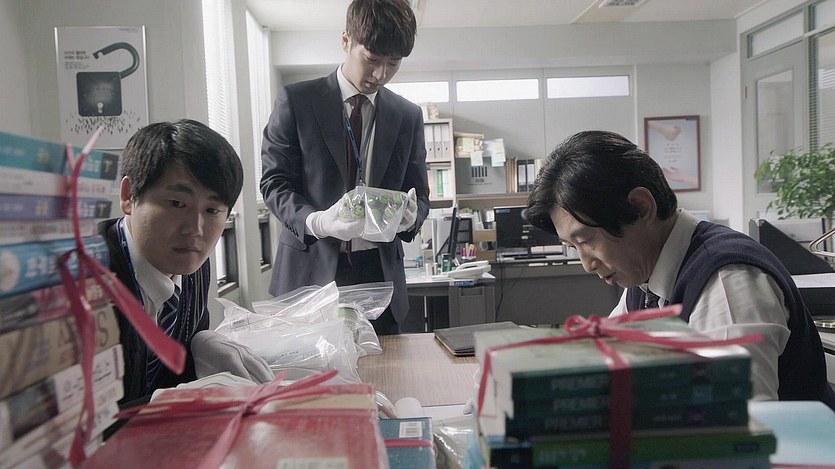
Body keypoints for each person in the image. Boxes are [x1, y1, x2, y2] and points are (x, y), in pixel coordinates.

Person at [525, 130, 835, 409]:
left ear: (641, 207)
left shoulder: (727, 281)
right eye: (573, 246)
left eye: (586, 240)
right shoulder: (643, 282)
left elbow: (740, 427)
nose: (586, 263)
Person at [260, 0, 430, 335]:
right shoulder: (297, 101)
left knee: (388, 367)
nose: (381, 74)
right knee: (312, 369)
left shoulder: (408, 116)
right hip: (311, 272)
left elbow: (420, 194)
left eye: (393, 64)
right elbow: (274, 183)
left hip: (380, 278)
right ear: (346, 41)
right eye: (373, 59)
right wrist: (318, 222)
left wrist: (412, 216)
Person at [99, 119, 273, 411]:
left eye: (212, 210)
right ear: (129, 196)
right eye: (176, 204)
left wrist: (199, 345)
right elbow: (71, 424)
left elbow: (172, 374)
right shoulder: (84, 281)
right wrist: (167, 404)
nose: (195, 229)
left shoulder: (191, 264)